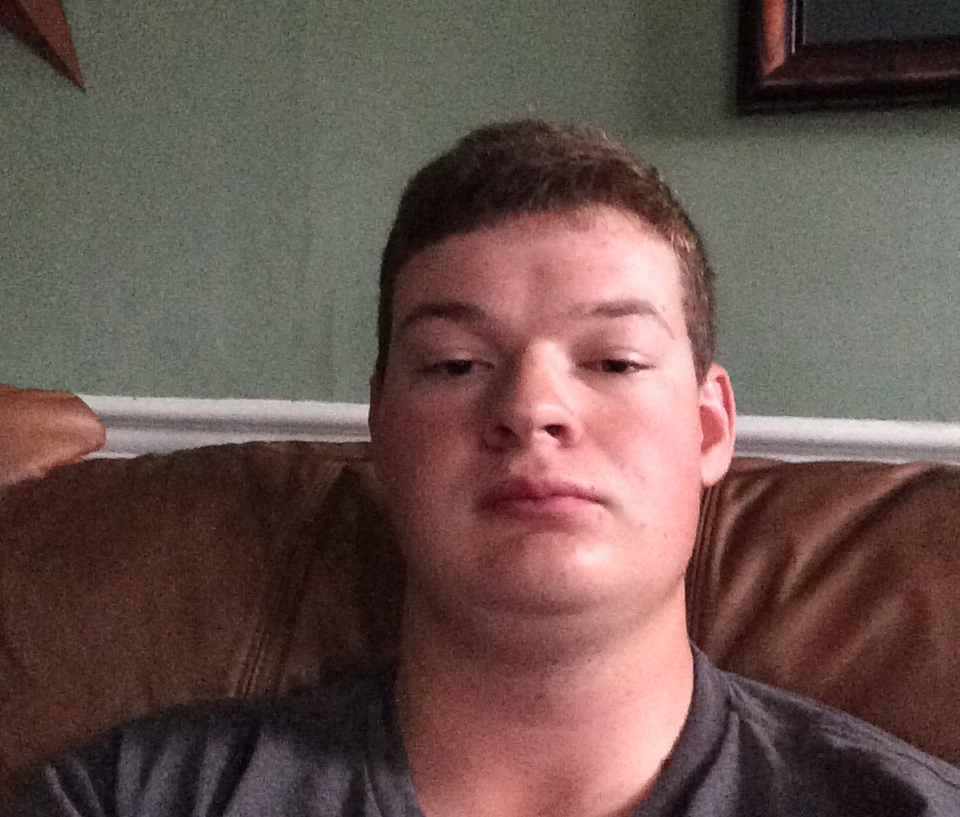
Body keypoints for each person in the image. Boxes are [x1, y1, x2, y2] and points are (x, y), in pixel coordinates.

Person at [6, 120, 959, 816]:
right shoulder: (129, 799)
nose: (531, 408)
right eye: (456, 365)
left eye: (614, 361)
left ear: (710, 429)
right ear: (381, 431)